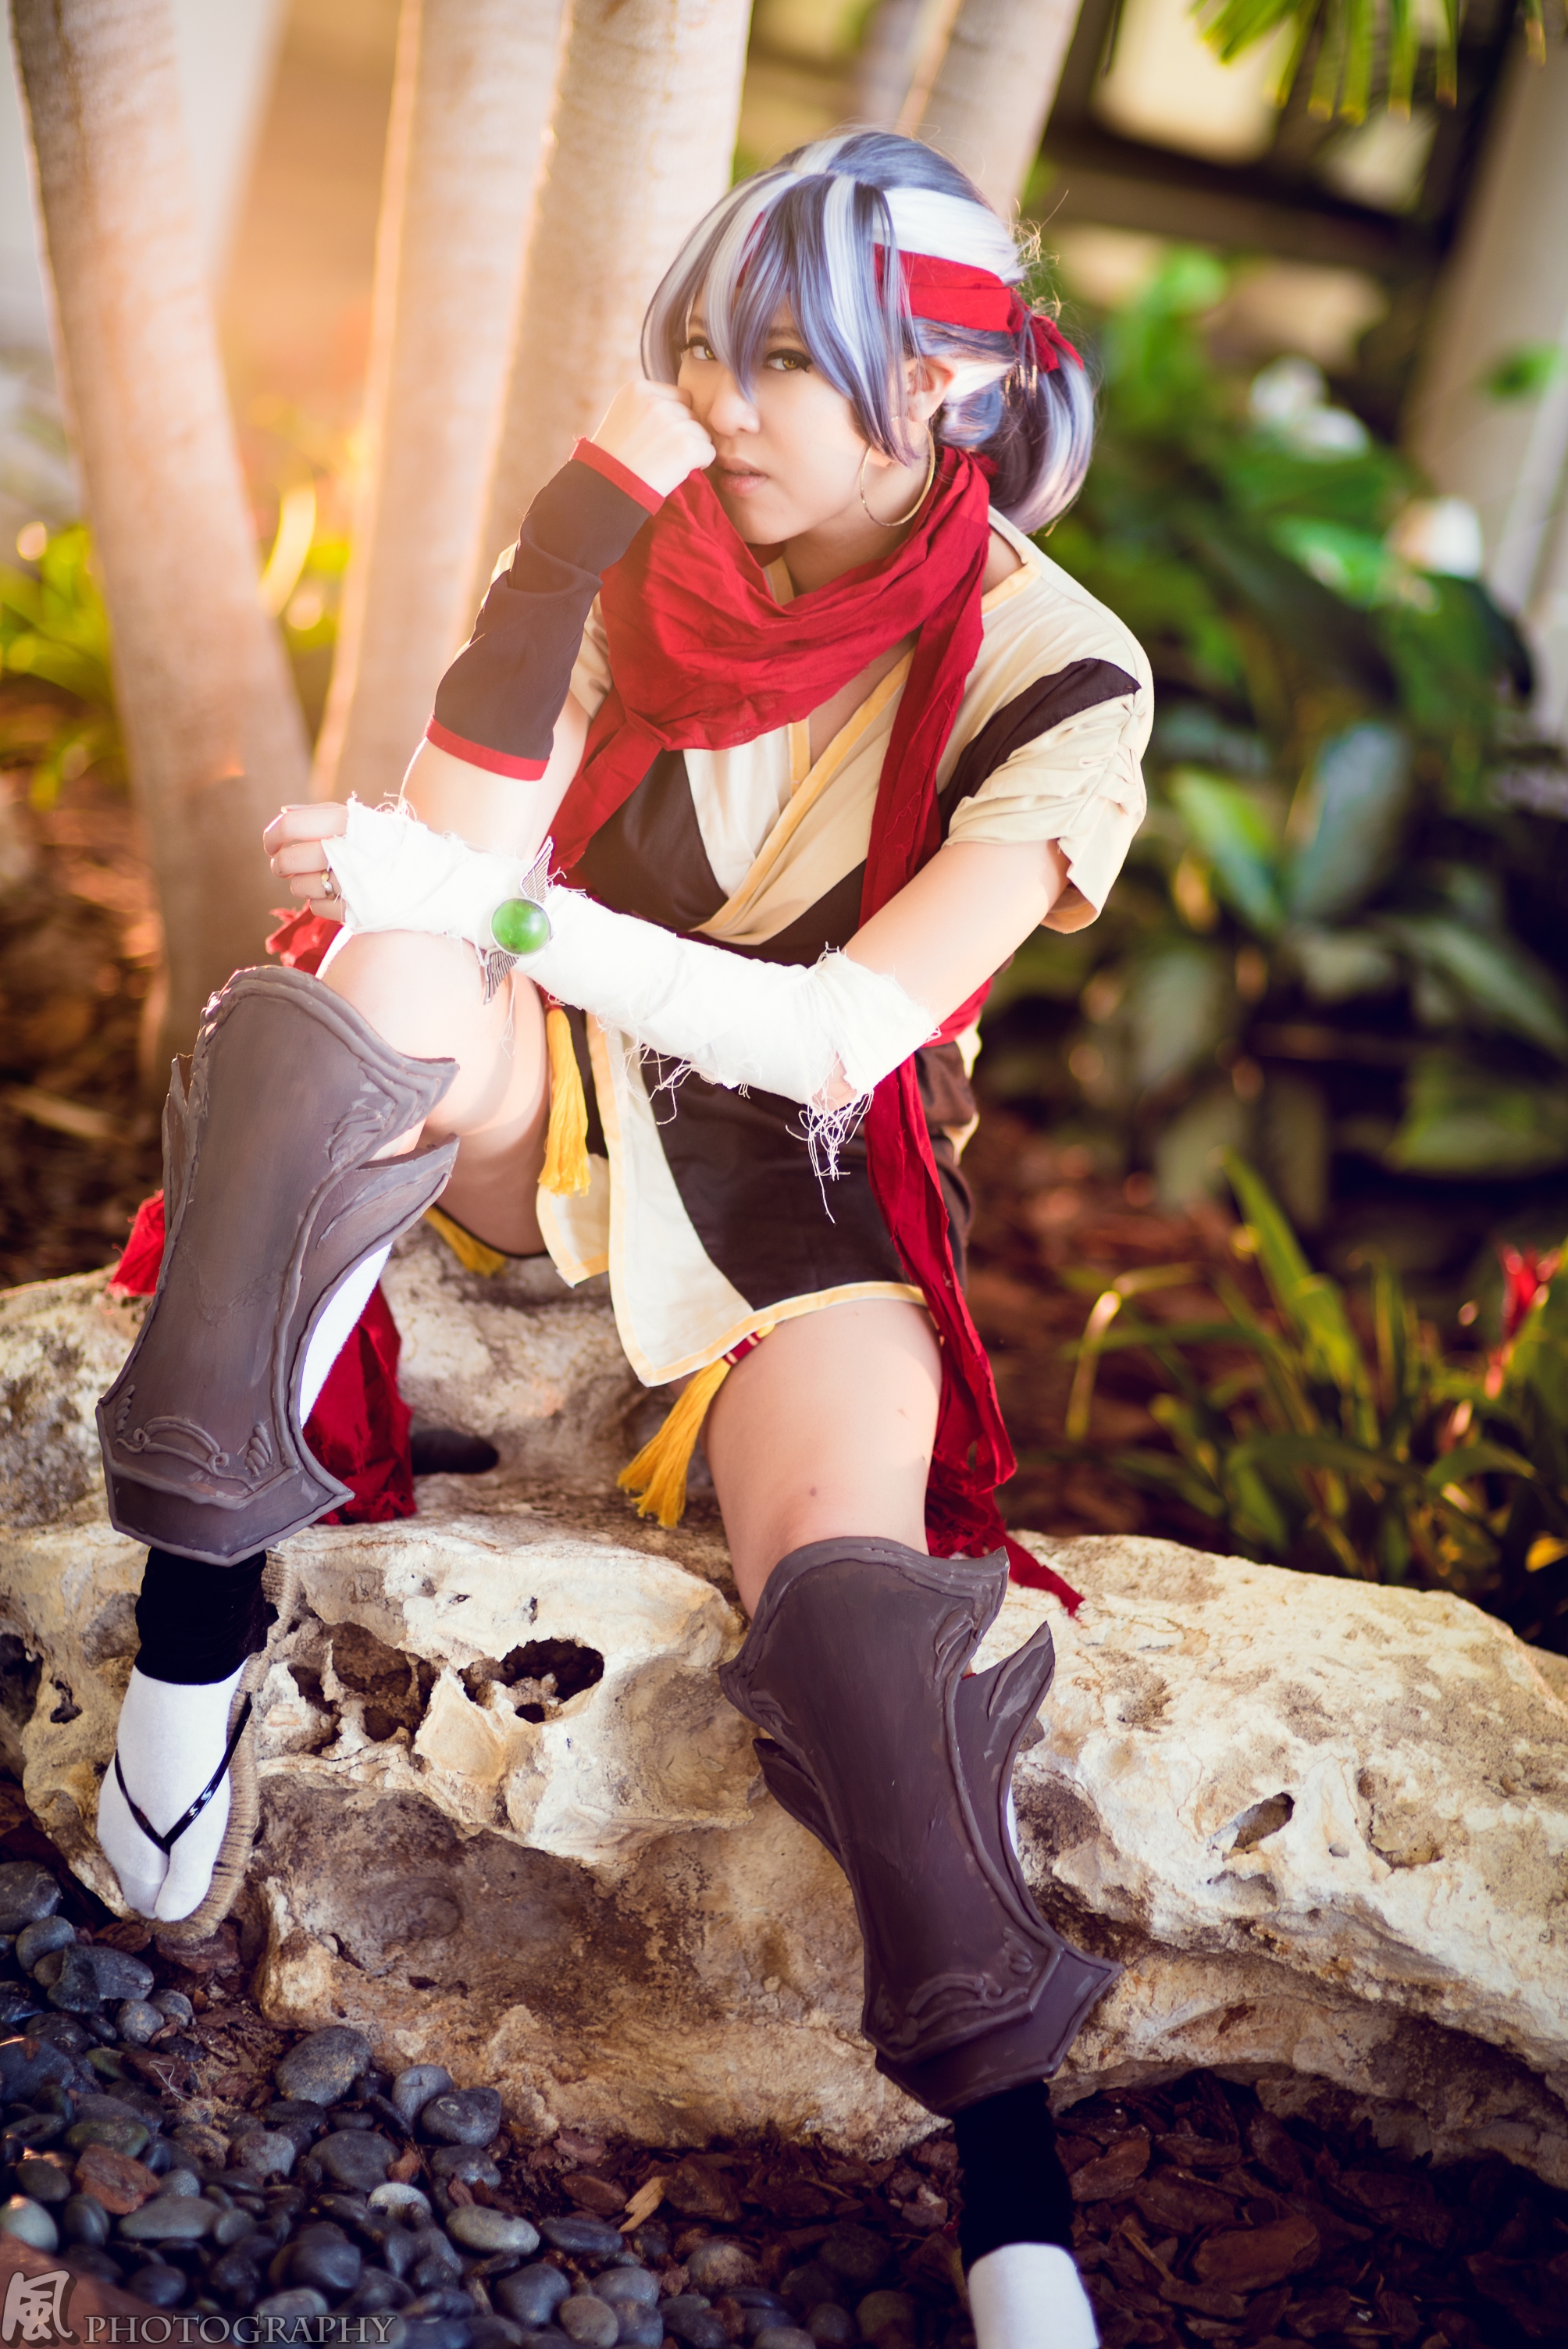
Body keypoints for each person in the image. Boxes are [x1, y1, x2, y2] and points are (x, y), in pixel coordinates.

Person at [93, 132, 1150, 2346]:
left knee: (856, 1612)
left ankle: (1017, 2211)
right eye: (701, 353)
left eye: (780, 363)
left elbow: (838, 1034)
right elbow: (437, 872)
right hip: (550, 1096)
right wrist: (567, 543)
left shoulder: (1063, 674)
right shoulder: (650, 543)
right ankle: (193, 1617)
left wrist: (485, 910)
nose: (716, 407)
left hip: (810, 1177)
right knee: (353, 995)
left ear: (941, 389)